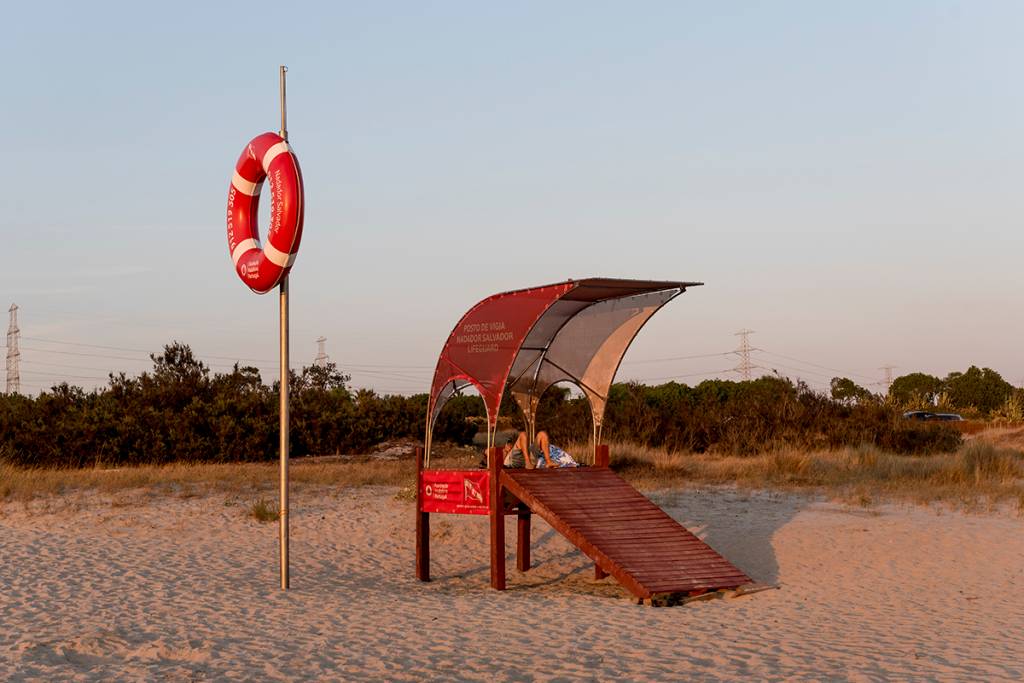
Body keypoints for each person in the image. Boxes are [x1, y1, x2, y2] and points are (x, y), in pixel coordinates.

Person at [502, 430, 577, 468]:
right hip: (517, 460)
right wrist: (506, 451)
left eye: (510, 442)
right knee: (523, 434)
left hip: (529, 456)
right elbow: (503, 465)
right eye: (508, 443)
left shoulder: (523, 446)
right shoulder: (507, 453)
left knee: (542, 434)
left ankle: (548, 462)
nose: (509, 444)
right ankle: (528, 463)